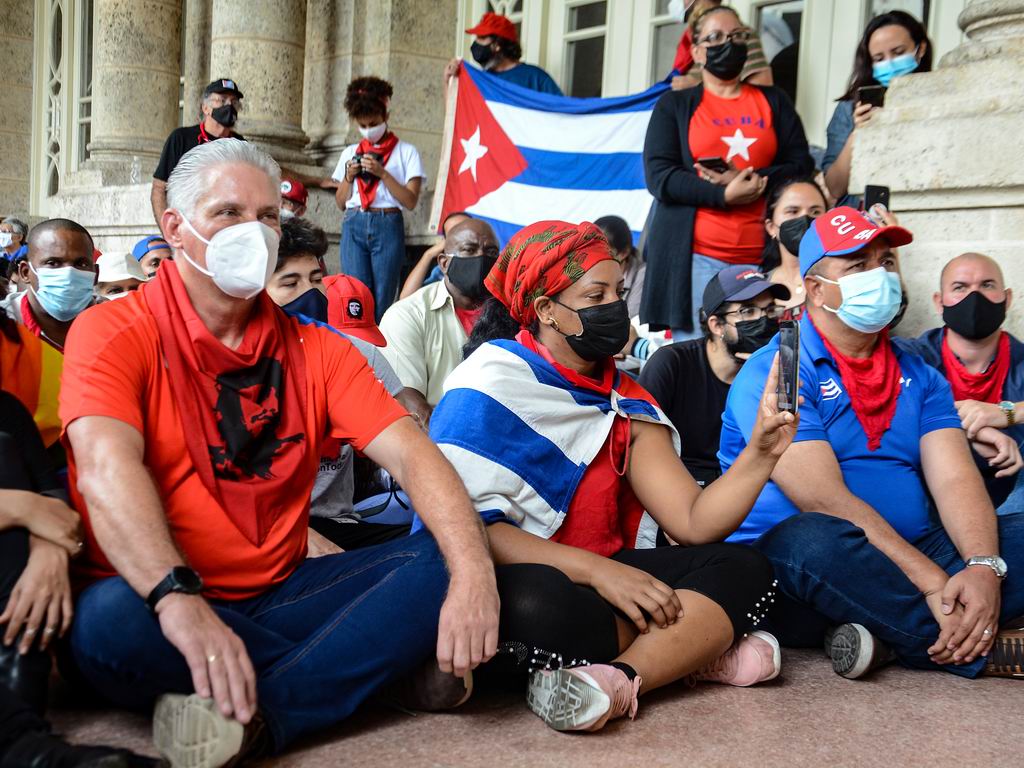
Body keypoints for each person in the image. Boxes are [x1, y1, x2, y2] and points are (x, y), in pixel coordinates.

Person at [61, 139, 500, 768]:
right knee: (106, 619)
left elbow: (412, 454)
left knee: (450, 554)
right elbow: (106, 469)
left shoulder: (316, 349)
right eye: (228, 214)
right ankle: (366, 675)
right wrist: (181, 602)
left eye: (268, 216)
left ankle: (264, 717)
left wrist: (474, 576)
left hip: (280, 592)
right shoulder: (113, 330)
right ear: (174, 228)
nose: (254, 232)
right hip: (156, 595)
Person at [430, 220, 798, 733]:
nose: (615, 307)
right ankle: (691, 647)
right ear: (545, 310)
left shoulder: (624, 398)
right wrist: (603, 573)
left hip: (612, 579)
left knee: (746, 567)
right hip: (535, 574)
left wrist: (761, 454)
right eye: (595, 294)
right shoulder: (486, 384)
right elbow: (471, 532)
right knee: (531, 602)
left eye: (619, 293)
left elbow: (692, 521)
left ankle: (624, 678)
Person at [718, 206, 1024, 681]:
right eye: (857, 265)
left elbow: (955, 477)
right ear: (816, 289)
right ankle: (977, 645)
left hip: (912, 549)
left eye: (885, 263)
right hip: (801, 570)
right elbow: (822, 498)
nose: (878, 276)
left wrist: (983, 568)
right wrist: (933, 583)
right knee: (810, 537)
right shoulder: (778, 367)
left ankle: (890, 637)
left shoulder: (919, 371)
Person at [643, 4, 813, 340]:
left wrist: (754, 181)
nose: (728, 44)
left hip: (765, 260)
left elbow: (801, 166)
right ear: (696, 51)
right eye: (716, 37)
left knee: (763, 356)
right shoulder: (674, 106)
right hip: (695, 260)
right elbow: (660, 176)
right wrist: (722, 194)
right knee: (698, 356)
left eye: (737, 36)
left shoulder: (774, 101)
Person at [265, 217, 417, 551]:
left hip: (339, 522)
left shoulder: (358, 353)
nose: (310, 293)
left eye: (316, 279)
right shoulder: (243, 366)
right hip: (271, 530)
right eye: (290, 283)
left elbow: (409, 444)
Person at [895, 253, 1024, 510]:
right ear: (939, 302)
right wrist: (972, 430)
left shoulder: (1020, 359)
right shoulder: (911, 355)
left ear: (1007, 298)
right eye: (960, 287)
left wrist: (1008, 412)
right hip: (928, 499)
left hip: (1012, 497)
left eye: (987, 285)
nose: (974, 297)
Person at [640, 265, 788, 488]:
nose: (763, 321)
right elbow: (639, 449)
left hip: (750, 486)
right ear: (717, 325)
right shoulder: (671, 364)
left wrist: (758, 371)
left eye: (769, 311)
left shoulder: (775, 370)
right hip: (677, 488)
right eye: (748, 312)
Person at [380, 218, 499, 426]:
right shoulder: (408, 315)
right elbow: (410, 405)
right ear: (444, 263)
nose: (481, 258)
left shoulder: (513, 316)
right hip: (438, 446)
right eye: (469, 250)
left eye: (490, 253)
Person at [333, 76, 425, 321]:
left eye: (373, 123)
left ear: (386, 115)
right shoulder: (350, 153)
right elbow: (341, 202)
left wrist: (383, 173)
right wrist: (348, 177)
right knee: (355, 294)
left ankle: (383, 348)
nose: (367, 130)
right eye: (362, 125)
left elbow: (411, 201)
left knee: (384, 297)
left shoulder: (406, 152)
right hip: (354, 221)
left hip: (387, 222)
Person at [823, 11, 932, 207]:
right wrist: (857, 133)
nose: (889, 63)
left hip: (918, 208)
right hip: (862, 220)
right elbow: (835, 187)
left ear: (921, 48)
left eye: (898, 53)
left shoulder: (937, 100)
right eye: (879, 58)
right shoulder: (849, 109)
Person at [152, 79, 246, 224]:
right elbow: (159, 189)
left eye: (234, 102)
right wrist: (168, 231)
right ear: (205, 108)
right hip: (188, 225)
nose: (229, 106)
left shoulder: (240, 145)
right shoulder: (181, 138)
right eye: (221, 100)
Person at [1, 219, 97, 351]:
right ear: (25, 273)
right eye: (52, 263)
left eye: (81, 264)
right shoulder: (5, 327)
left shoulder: (114, 325)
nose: (68, 274)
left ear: (96, 274)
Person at [761, 174, 829, 319]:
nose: (804, 218)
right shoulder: (757, 288)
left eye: (815, 212)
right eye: (793, 211)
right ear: (771, 227)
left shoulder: (841, 281)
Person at [445, 12, 562, 95]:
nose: (476, 43)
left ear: (497, 45)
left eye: (481, 38)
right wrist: (448, 79)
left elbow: (561, 116)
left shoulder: (536, 78)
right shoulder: (480, 80)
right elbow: (455, 118)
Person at [669, 0, 772, 91]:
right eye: (715, 36)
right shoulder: (689, 40)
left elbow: (763, 93)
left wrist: (699, 87)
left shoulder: (739, 36)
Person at [399, 211, 471, 300]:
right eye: (454, 232)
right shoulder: (442, 268)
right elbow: (406, 298)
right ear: (445, 241)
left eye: (465, 230)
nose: (461, 236)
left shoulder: (488, 261)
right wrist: (427, 255)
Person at [595, 216, 646, 319]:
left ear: (624, 253)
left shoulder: (643, 275)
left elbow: (630, 321)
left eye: (603, 252)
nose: (595, 257)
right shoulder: (585, 271)